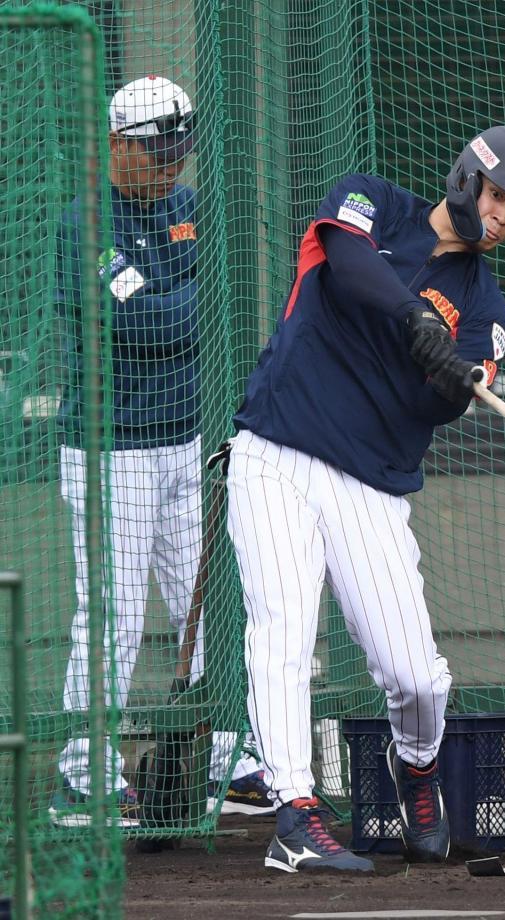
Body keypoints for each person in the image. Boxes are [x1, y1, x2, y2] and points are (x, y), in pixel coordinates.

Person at [224, 125, 505, 872]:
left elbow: (440, 409)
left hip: (370, 487)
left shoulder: (486, 312)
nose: (502, 218)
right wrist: (413, 321)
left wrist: (449, 376)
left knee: (415, 676)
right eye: (499, 197)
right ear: (468, 176)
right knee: (281, 632)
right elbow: (345, 266)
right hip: (274, 452)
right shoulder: (371, 199)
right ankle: (294, 811)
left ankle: (418, 772)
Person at [50, 75, 267, 827]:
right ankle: (83, 775)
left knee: (206, 614)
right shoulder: (83, 222)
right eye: (156, 147)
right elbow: (149, 326)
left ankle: (225, 760)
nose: (173, 159)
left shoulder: (189, 207)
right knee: (109, 617)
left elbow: (217, 305)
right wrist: (189, 301)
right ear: (117, 146)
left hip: (188, 446)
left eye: (180, 144)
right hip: (112, 454)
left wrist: (186, 302)